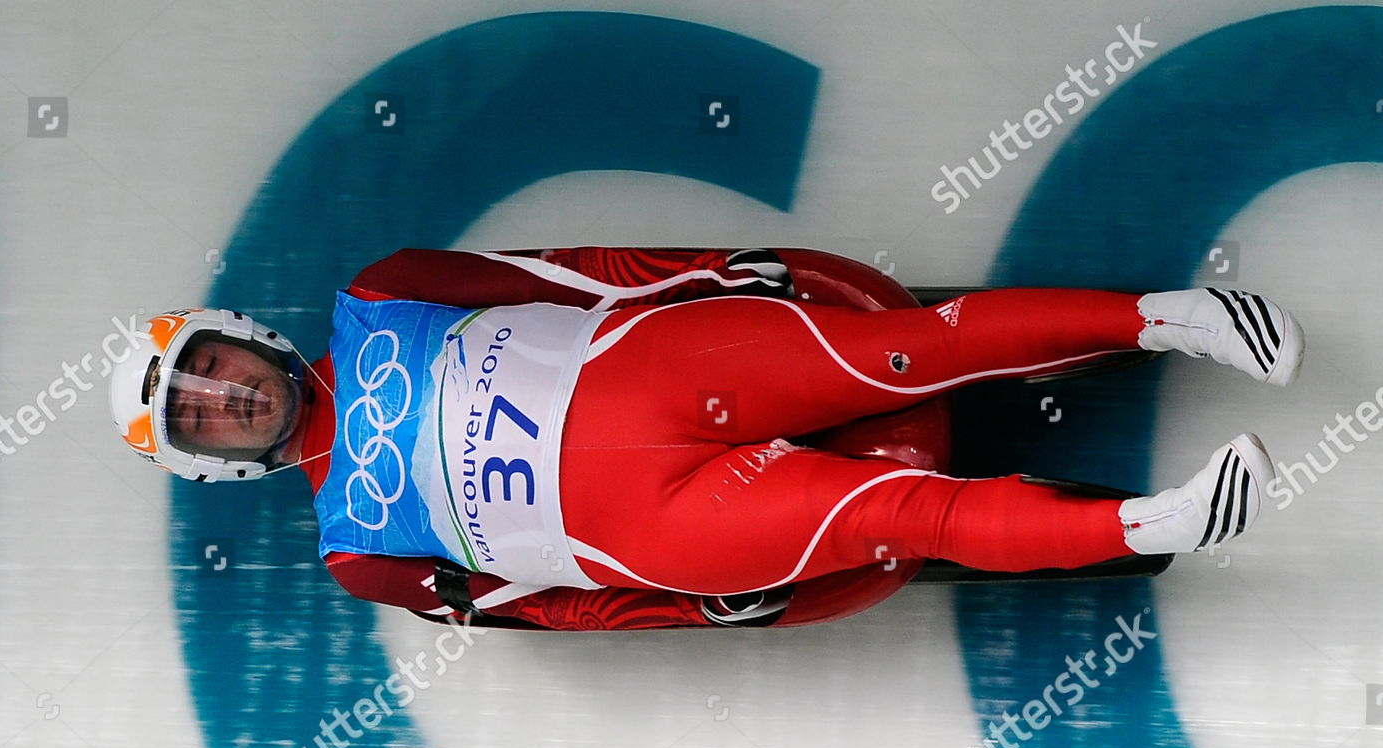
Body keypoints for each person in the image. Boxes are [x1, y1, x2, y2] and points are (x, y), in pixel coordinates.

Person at [109, 248, 1302, 630]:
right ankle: (1150, 521)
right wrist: (693, 608)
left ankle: (1173, 320)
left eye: (209, 366)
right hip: (655, 527)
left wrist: (702, 275)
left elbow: (558, 273)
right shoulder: (351, 551)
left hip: (657, 375)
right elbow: (535, 607)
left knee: (906, 348)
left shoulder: (383, 292)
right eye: (196, 415)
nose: (223, 395)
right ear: (213, 457)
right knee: (889, 517)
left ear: (240, 336)